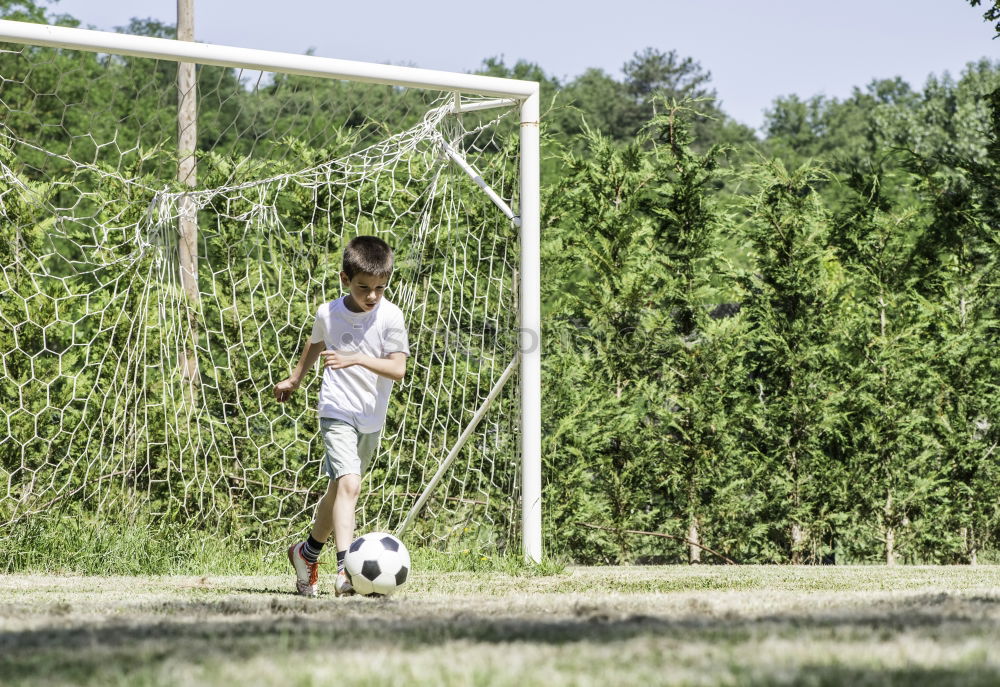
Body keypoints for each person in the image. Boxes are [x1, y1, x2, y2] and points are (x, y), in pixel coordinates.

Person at [274, 235, 409, 597]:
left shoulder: (391, 316)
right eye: (364, 287)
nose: (372, 296)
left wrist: (356, 358)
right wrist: (296, 378)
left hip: (371, 416)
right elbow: (317, 342)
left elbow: (397, 369)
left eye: (381, 288)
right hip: (336, 409)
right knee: (350, 484)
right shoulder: (328, 312)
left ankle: (306, 553)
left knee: (338, 490)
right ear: (344, 279)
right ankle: (345, 571)